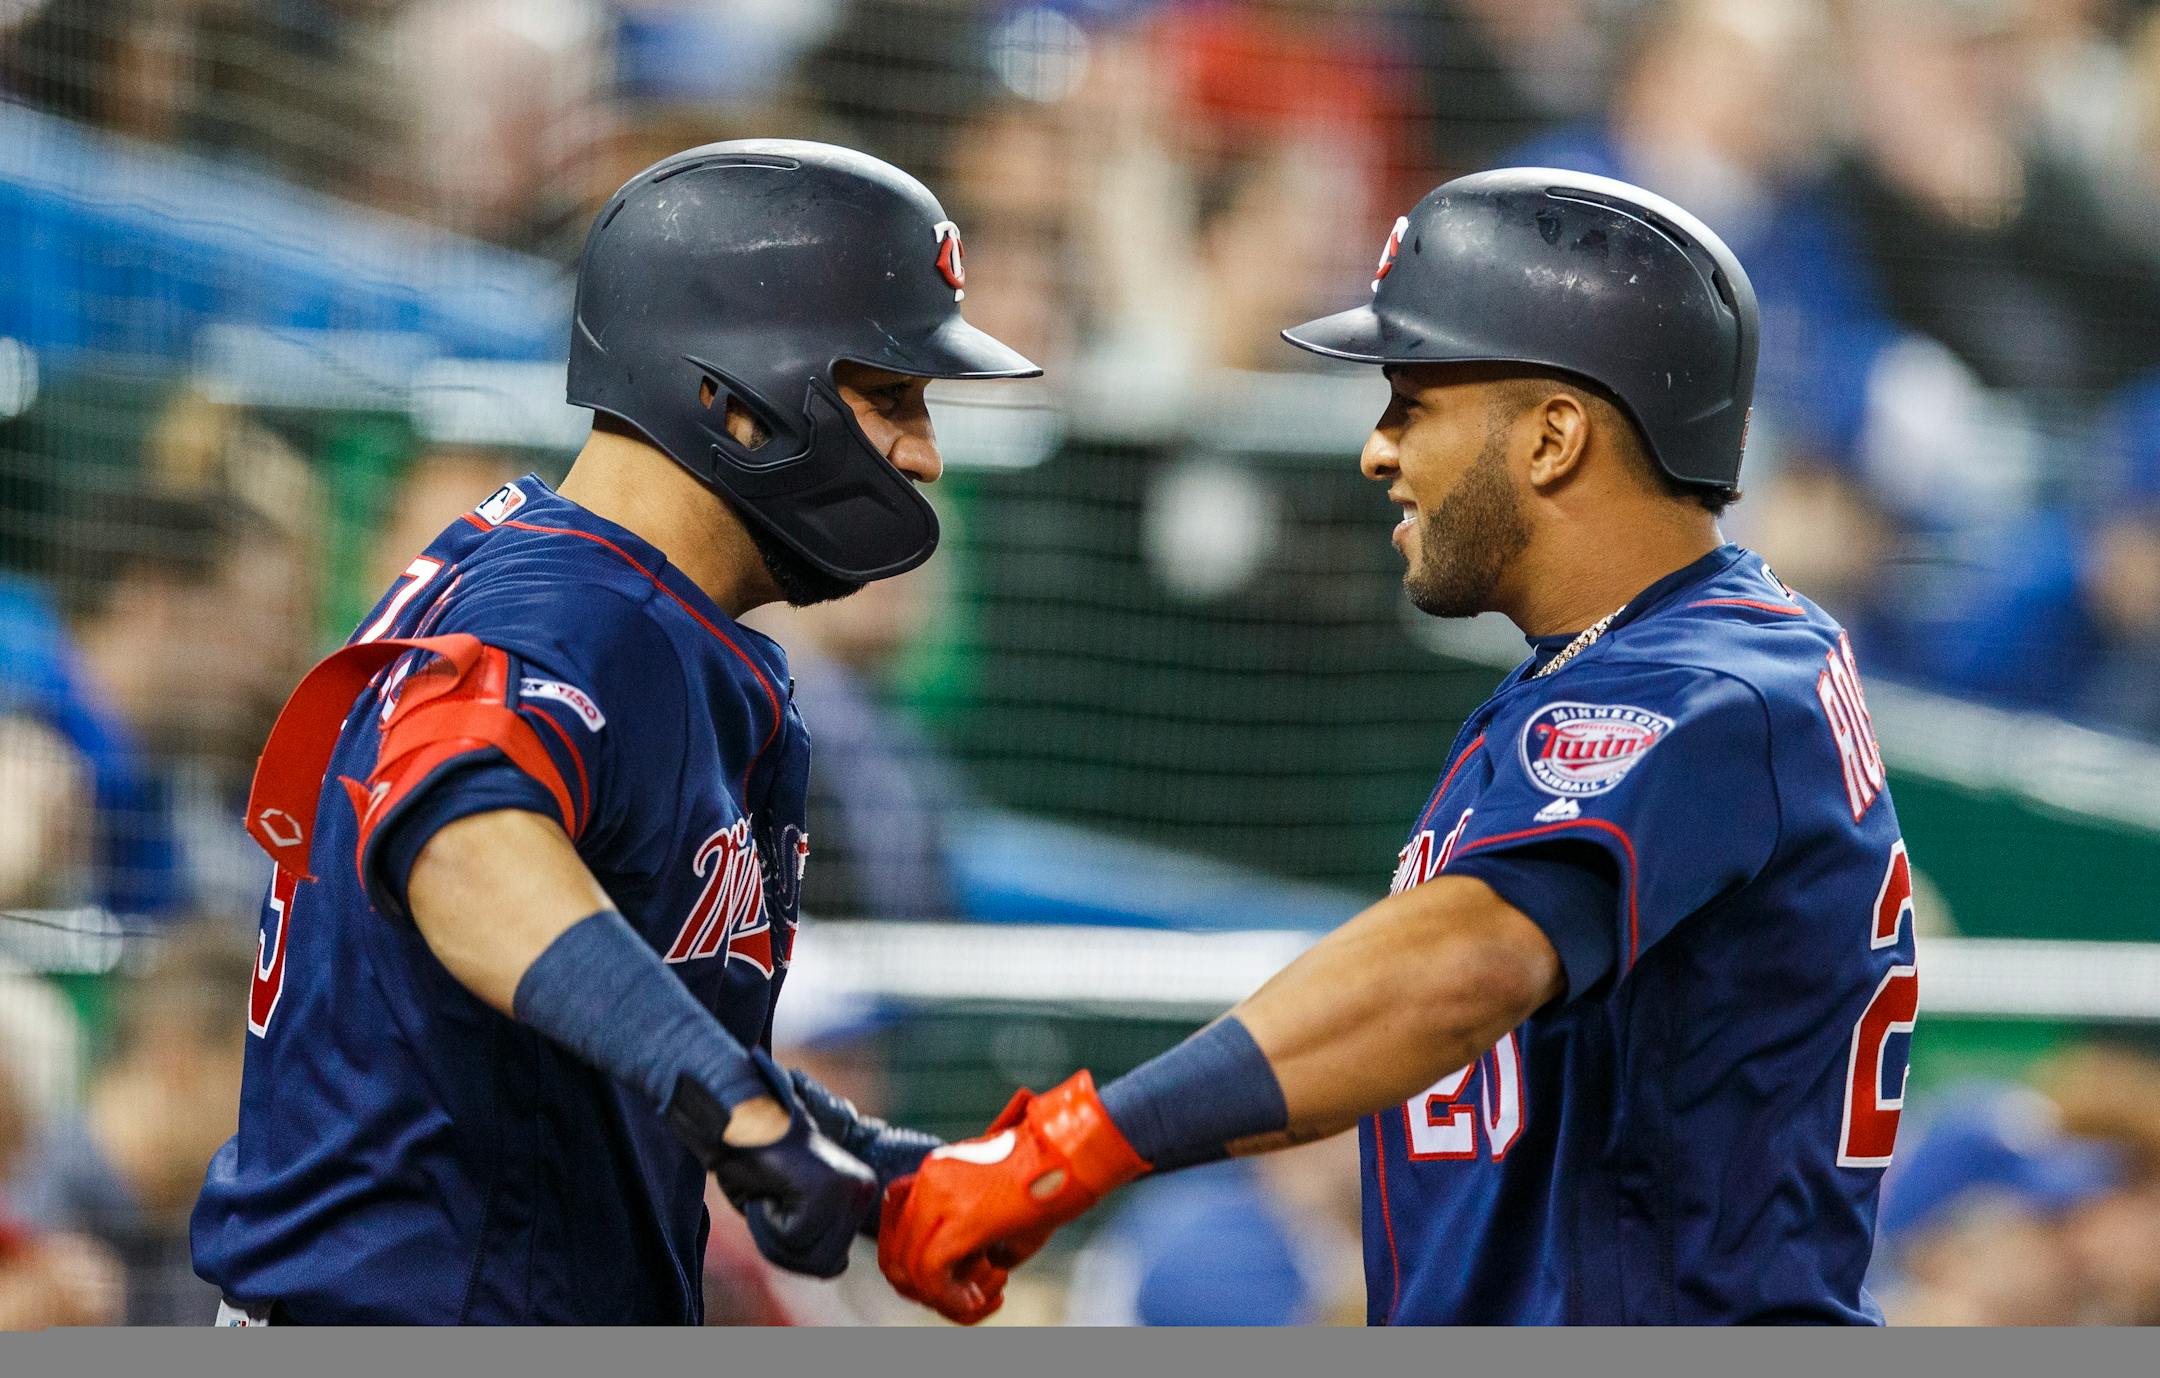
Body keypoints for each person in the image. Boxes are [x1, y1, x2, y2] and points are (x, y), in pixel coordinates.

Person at [877, 168, 1919, 1326]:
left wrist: (1072, 1145)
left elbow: (1459, 968)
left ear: (1554, 435)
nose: (1376, 451)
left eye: (1412, 402)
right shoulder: (1634, 660)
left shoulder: (1705, 684)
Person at [190, 140, 1039, 1324]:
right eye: (889, 396)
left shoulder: (622, 603)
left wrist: (867, 1164)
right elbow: (457, 830)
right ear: (730, 391)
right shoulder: (574, 608)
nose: (922, 452)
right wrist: (737, 1114)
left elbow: (609, 1031)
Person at [10, 923, 251, 1325]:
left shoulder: (209, 1228)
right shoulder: (26, 1206)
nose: (269, 1115)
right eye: (252, 1081)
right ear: (180, 1060)